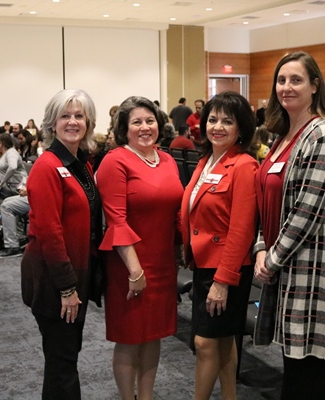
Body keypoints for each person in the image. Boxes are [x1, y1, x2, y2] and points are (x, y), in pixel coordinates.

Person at [254, 51, 325, 400]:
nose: (287, 87)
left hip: (311, 268)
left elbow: (306, 211)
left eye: (296, 80)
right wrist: (261, 248)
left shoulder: (322, 135)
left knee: (308, 369)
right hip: (285, 263)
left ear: (314, 86)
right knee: (293, 366)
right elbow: (265, 199)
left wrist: (272, 258)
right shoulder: (281, 135)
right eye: (281, 80)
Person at [96, 96, 183, 400]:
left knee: (153, 335)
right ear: (124, 129)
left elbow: (175, 212)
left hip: (162, 262)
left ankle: (145, 396)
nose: (145, 127)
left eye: (150, 121)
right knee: (130, 338)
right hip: (129, 264)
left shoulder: (168, 159)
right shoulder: (115, 160)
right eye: (137, 122)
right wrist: (135, 271)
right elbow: (116, 221)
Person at [21, 88, 101, 399]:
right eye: (65, 116)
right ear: (52, 123)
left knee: (62, 361)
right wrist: (68, 289)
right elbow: (50, 233)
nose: (72, 121)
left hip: (73, 276)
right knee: (63, 364)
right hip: (54, 281)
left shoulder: (82, 163)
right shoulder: (47, 166)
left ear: (88, 122)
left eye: (79, 115)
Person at [180, 91, 258, 400]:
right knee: (224, 342)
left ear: (241, 128)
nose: (218, 127)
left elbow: (242, 229)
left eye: (228, 121)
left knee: (205, 343)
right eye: (213, 119)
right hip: (203, 263)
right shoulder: (206, 161)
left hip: (225, 269)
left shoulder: (244, 165)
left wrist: (223, 281)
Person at [0, 185, 29, 259]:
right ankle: (20, 237)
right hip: (36, 194)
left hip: (44, 197)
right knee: (6, 200)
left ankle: (13, 247)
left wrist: (29, 190)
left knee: (6, 207)